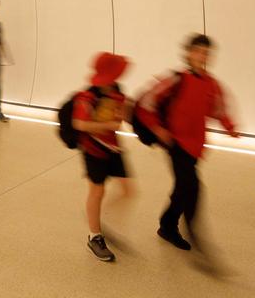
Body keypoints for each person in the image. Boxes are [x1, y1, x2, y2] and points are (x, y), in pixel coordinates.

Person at [136, 33, 239, 251]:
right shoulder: (176, 79)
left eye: (207, 53)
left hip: (195, 146)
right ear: (188, 53)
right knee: (192, 187)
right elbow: (147, 102)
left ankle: (166, 225)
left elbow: (218, 110)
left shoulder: (212, 84)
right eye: (199, 51)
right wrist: (158, 128)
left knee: (182, 187)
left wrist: (230, 127)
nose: (203, 56)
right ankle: (197, 238)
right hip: (176, 144)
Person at [72, 52, 134, 262]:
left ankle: (99, 218)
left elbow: (123, 114)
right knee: (97, 191)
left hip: (114, 148)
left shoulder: (117, 90)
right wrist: (107, 125)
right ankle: (94, 235)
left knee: (128, 190)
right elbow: (79, 124)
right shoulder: (88, 96)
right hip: (92, 149)